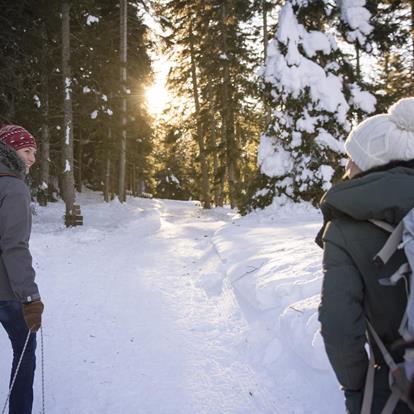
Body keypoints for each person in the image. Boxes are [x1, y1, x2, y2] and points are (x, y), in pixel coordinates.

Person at [317, 97, 414, 414]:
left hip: (395, 384)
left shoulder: (345, 230)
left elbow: (339, 327)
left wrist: (358, 387)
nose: (347, 166)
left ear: (374, 163)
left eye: (352, 158)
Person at [0, 124, 44, 414]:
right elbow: (14, 245)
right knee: (25, 351)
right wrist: (30, 296)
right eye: (27, 150)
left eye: (35, 153)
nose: (32, 158)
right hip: (7, 292)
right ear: (10, 149)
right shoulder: (14, 186)